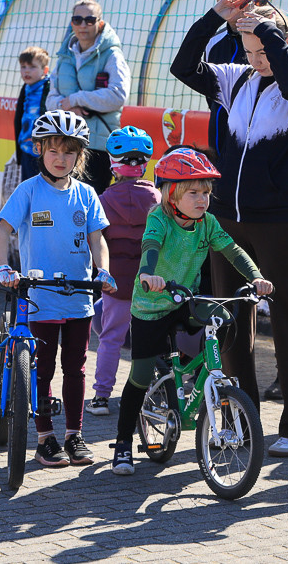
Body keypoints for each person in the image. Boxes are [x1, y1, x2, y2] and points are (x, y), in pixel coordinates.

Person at [170, 0, 288, 459]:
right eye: (250, 51)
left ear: (283, 43)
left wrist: (263, 29)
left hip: (278, 221)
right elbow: (183, 66)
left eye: (265, 50)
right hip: (228, 221)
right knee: (230, 320)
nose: (257, 59)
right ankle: (241, 421)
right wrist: (216, 17)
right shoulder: (235, 78)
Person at [110, 148, 272, 476]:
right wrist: (148, 275)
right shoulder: (160, 218)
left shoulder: (207, 223)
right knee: (139, 377)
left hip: (185, 300)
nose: (202, 200)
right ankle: (124, 444)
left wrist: (255, 276)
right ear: (171, 195)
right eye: (193, 193)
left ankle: (203, 374)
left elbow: (232, 249)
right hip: (153, 304)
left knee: (225, 315)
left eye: (206, 193)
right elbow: (150, 247)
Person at [0, 110, 117, 468]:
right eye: (54, 151)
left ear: (80, 155)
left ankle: (74, 435)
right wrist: (3, 266)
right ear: (39, 150)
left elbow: (98, 240)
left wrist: (103, 271)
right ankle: (45, 438)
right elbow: (3, 231)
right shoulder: (28, 190)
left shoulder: (87, 193)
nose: (61, 159)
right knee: (42, 369)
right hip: (39, 297)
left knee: (75, 369)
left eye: (70, 152)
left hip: (79, 296)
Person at [86, 126, 160, 416]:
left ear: (113, 164)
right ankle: (152, 392)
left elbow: (94, 241)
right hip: (150, 283)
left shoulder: (103, 201)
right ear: (145, 164)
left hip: (115, 283)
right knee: (150, 339)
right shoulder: (157, 200)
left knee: (109, 338)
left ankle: (102, 397)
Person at [46, 0, 131, 194]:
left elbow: (117, 95)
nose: (83, 25)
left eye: (89, 20)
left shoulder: (112, 55)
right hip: (64, 143)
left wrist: (76, 99)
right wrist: (68, 108)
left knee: (90, 209)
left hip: (97, 147)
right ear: (72, 23)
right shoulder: (64, 57)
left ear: (100, 24)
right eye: (77, 19)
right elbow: (51, 101)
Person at [15, 46, 51, 181]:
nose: (26, 71)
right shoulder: (26, 88)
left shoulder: (49, 87)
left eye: (32, 67)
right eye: (23, 67)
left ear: (45, 70)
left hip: (42, 152)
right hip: (26, 149)